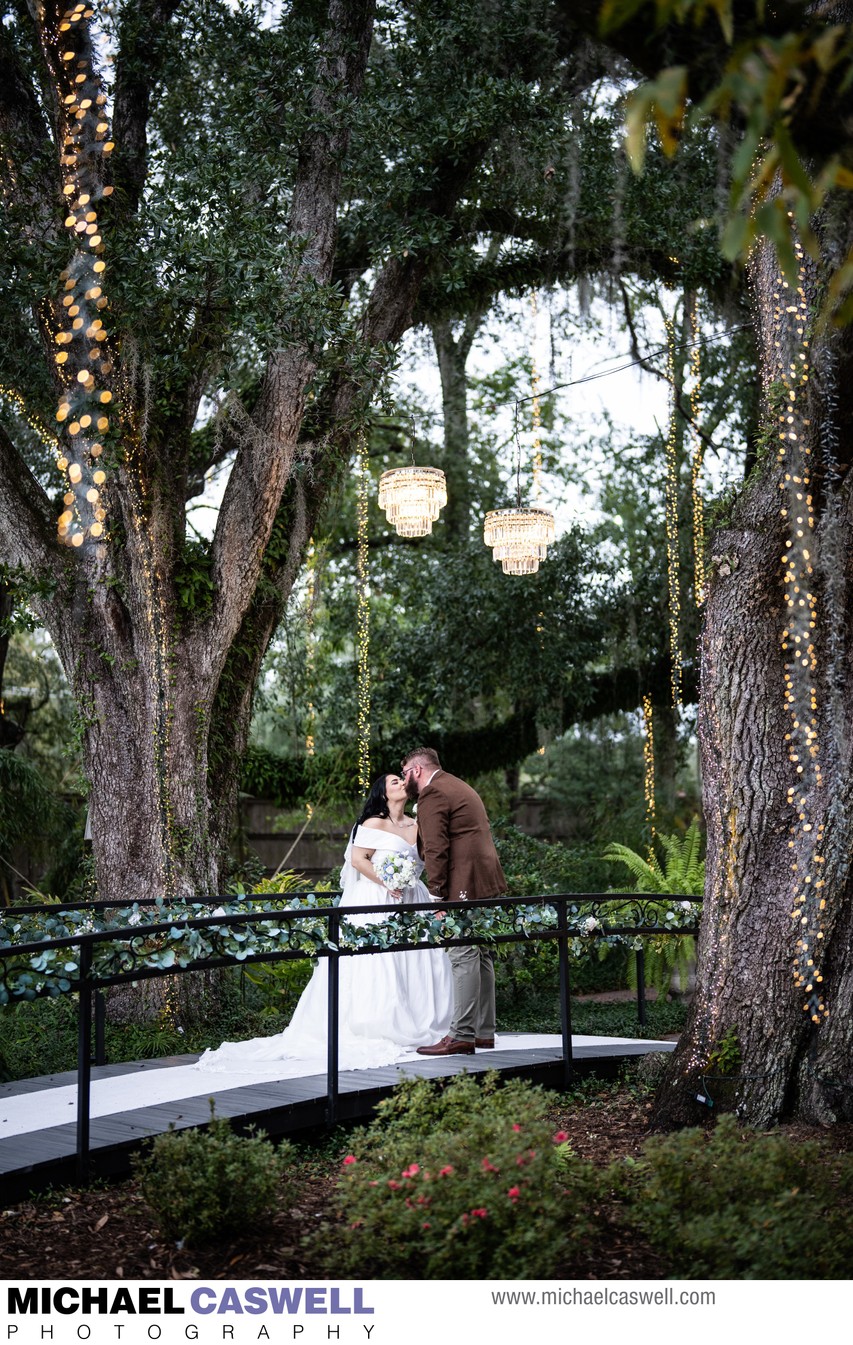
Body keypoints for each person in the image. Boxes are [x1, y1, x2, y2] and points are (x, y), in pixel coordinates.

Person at [197, 773, 453, 1075]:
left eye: (402, 780)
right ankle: (380, 1023)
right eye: (394, 781)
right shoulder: (372, 823)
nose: (401, 783)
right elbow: (359, 860)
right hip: (376, 898)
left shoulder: (417, 824)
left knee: (418, 959)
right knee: (378, 962)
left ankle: (424, 1021)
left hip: (413, 900)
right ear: (383, 794)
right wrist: (387, 881)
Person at [401, 746, 507, 1057]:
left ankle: (461, 1035)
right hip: (484, 881)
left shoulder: (432, 793)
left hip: (463, 886)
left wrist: (436, 898)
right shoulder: (458, 784)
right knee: (482, 954)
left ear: (417, 771)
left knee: (463, 954)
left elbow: (436, 849)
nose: (404, 779)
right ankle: (484, 1032)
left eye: (405, 772)